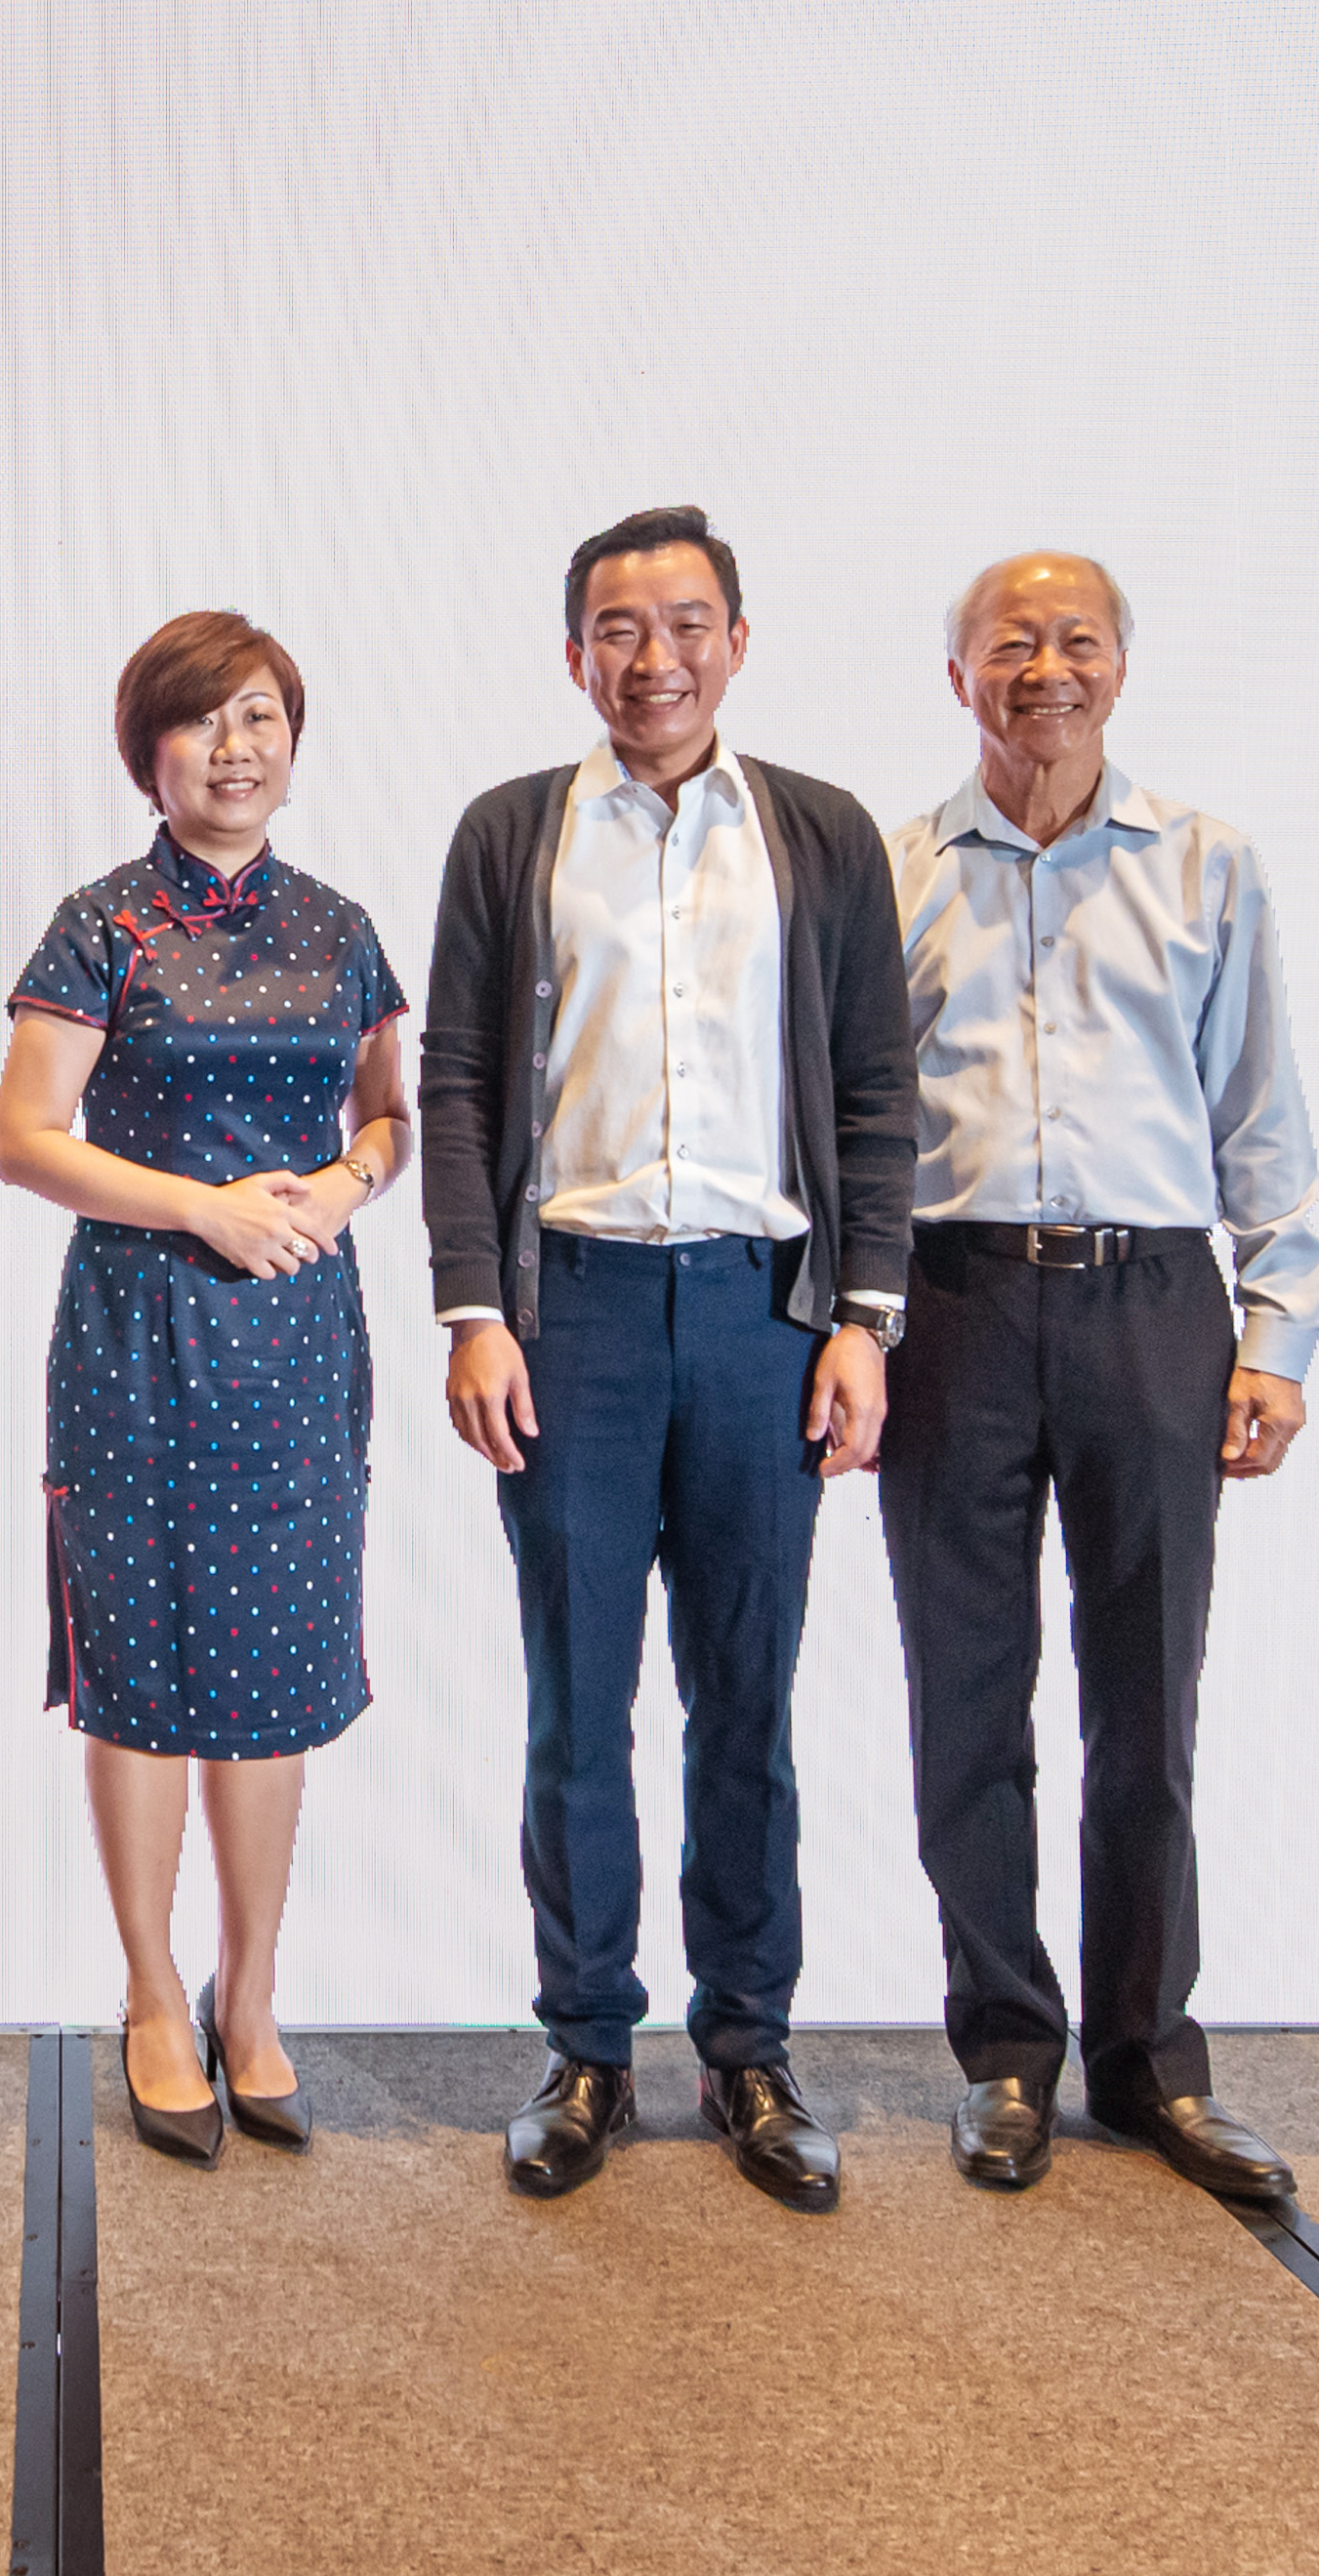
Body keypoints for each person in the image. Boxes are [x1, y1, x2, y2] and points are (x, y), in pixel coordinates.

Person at [420, 505, 916, 2211]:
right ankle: (585, 2048)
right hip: (575, 1316)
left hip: (764, 1315)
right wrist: (474, 1307)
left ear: (739, 641)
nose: (655, 658)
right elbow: (463, 1086)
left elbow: (871, 1089)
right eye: (620, 629)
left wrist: (866, 1320)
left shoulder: (821, 835)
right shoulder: (510, 833)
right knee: (578, 1704)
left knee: (748, 1704)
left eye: (687, 624)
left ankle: (751, 2050)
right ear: (577, 655)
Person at [879, 552, 1319, 2200]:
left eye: (1078, 642)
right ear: (961, 677)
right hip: (955, 1302)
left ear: (1121, 672)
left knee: (1148, 1704)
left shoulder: (1206, 865)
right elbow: (854, 1127)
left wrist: (1277, 1330)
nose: (1045, 668)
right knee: (967, 1702)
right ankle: (1005, 2052)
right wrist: (849, 1332)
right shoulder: (898, 868)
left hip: (1153, 1307)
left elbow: (1260, 1116)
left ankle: (1149, 2062)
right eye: (1012, 643)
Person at [0, 610, 412, 2161]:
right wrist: (204, 1203)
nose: (235, 749)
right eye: (203, 723)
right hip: (140, 1329)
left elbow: (386, 1114)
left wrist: (347, 1185)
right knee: (147, 1669)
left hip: (301, 1336)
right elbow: (25, 1137)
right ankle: (155, 1993)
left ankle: (254, 1997)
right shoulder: (102, 924)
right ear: (148, 754)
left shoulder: (341, 925)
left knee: (276, 1671)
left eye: (260, 718)